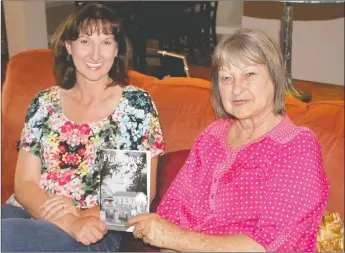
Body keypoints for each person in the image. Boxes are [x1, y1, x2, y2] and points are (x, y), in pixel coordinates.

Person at [126, 28, 330, 252]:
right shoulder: (212, 136)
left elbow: (270, 245)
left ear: (275, 77)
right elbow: (173, 211)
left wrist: (176, 239)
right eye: (226, 78)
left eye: (249, 74)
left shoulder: (296, 147)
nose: (236, 88)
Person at [1, 2, 164, 252]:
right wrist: (66, 221)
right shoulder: (44, 102)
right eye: (85, 41)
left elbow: (127, 201)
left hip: (95, 226)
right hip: (31, 211)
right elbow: (25, 184)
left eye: (106, 42)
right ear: (68, 46)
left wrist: (78, 217)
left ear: (117, 49)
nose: (95, 55)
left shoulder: (134, 106)